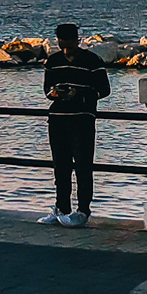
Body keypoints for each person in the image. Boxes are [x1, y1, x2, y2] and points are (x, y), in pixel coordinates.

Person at [40, 23, 110, 228]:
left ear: (77, 40)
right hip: (58, 117)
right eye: (62, 40)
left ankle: (83, 210)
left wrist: (79, 95)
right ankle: (61, 208)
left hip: (82, 118)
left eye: (69, 40)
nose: (66, 45)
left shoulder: (92, 61)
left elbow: (104, 89)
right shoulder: (52, 61)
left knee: (82, 165)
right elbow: (46, 90)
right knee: (60, 166)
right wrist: (54, 93)